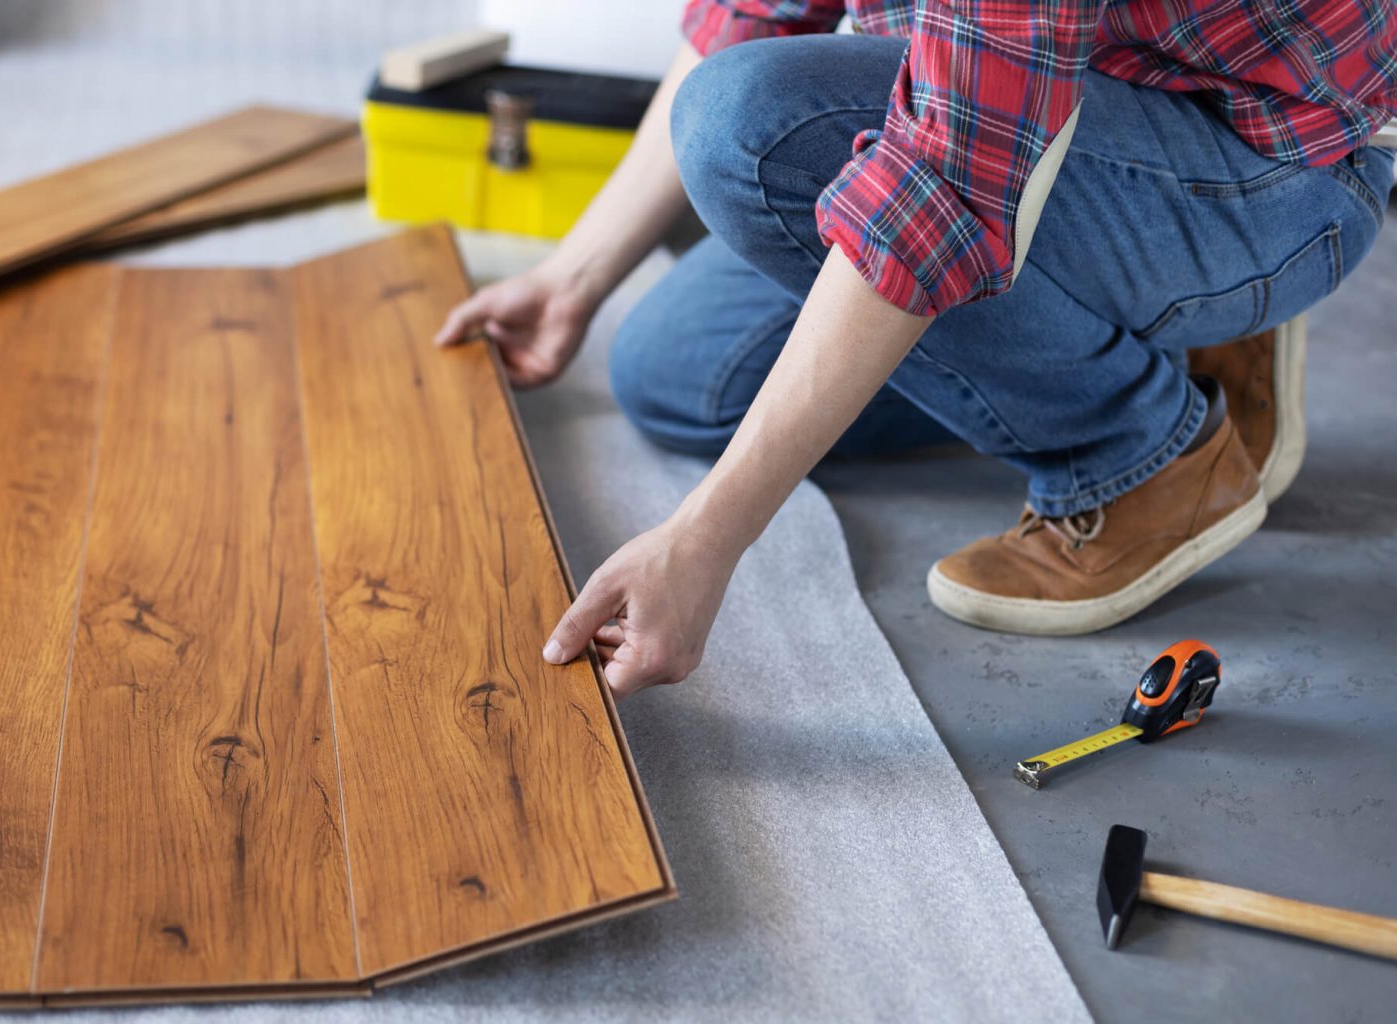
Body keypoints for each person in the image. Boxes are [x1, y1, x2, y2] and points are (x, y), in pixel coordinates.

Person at [435, 1, 1396, 698]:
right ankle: (1137, 327)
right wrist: (573, 280)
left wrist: (704, 540)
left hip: (1268, 165)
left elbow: (944, 183)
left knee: (748, 129)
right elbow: (752, 12)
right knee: (678, 372)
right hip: (1049, 115)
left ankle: (1136, 449)